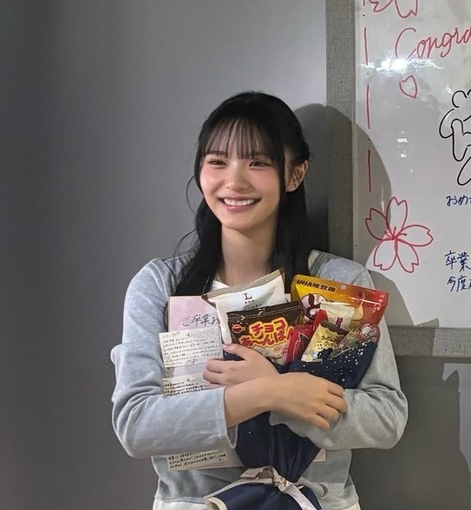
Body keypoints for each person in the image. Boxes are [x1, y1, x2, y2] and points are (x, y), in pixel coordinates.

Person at [111, 92, 408, 509]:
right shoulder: (161, 286)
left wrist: (285, 396)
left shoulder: (337, 283)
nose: (234, 181)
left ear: (295, 174)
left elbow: (386, 418)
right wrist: (271, 393)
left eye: (258, 163)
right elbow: (137, 424)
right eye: (218, 162)